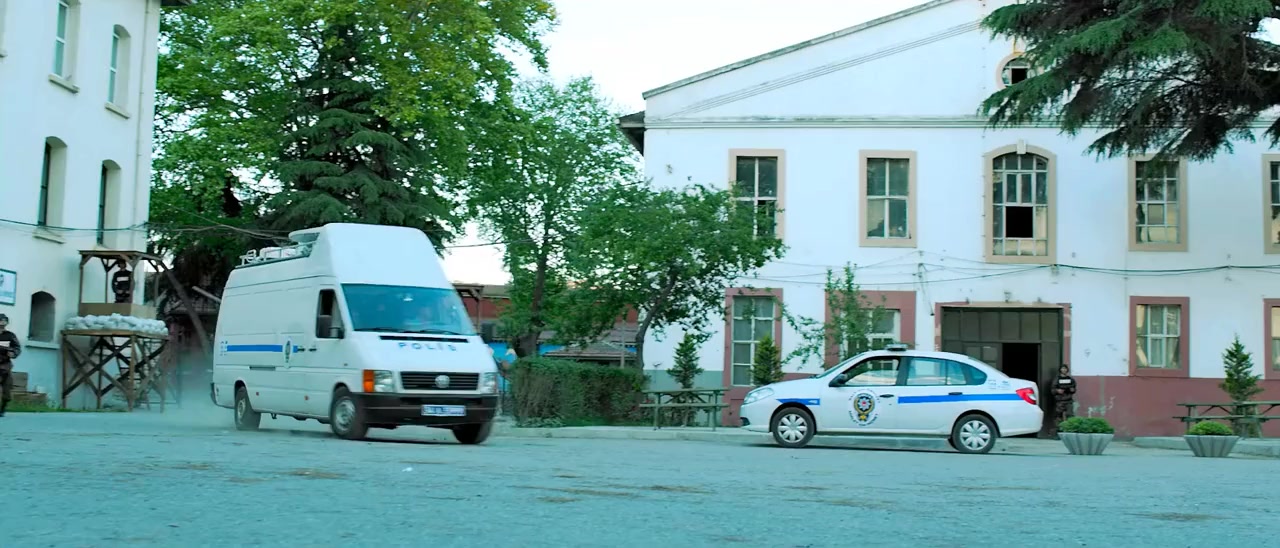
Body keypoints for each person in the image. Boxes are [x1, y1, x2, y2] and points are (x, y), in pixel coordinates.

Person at [0, 313, 22, 417]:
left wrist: (13, 353)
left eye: (4, 321)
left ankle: (3, 408)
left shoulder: (10, 335)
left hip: (5, 365)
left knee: (7, 389)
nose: (2, 323)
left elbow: (17, 347)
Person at [1050, 364, 1076, 436]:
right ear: (1060, 370)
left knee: (1070, 415)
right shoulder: (1056, 379)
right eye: (1062, 368)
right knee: (1058, 416)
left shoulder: (1071, 379)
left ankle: (1070, 431)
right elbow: (1052, 390)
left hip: (1069, 400)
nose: (1064, 370)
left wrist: (1072, 390)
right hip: (1060, 400)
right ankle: (1058, 432)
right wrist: (1057, 391)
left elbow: (1074, 388)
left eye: (1065, 368)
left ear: (1067, 370)